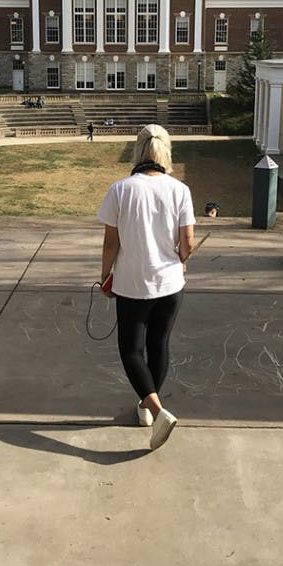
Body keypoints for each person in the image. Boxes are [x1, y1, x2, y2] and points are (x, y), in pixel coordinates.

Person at [97, 124, 195, 451]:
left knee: (130, 350)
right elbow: (188, 242)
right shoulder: (180, 190)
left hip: (131, 283)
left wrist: (104, 276)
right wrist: (182, 258)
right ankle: (147, 408)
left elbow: (111, 243)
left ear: (138, 150)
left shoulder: (121, 189)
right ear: (165, 151)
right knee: (159, 343)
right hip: (170, 283)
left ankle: (156, 410)